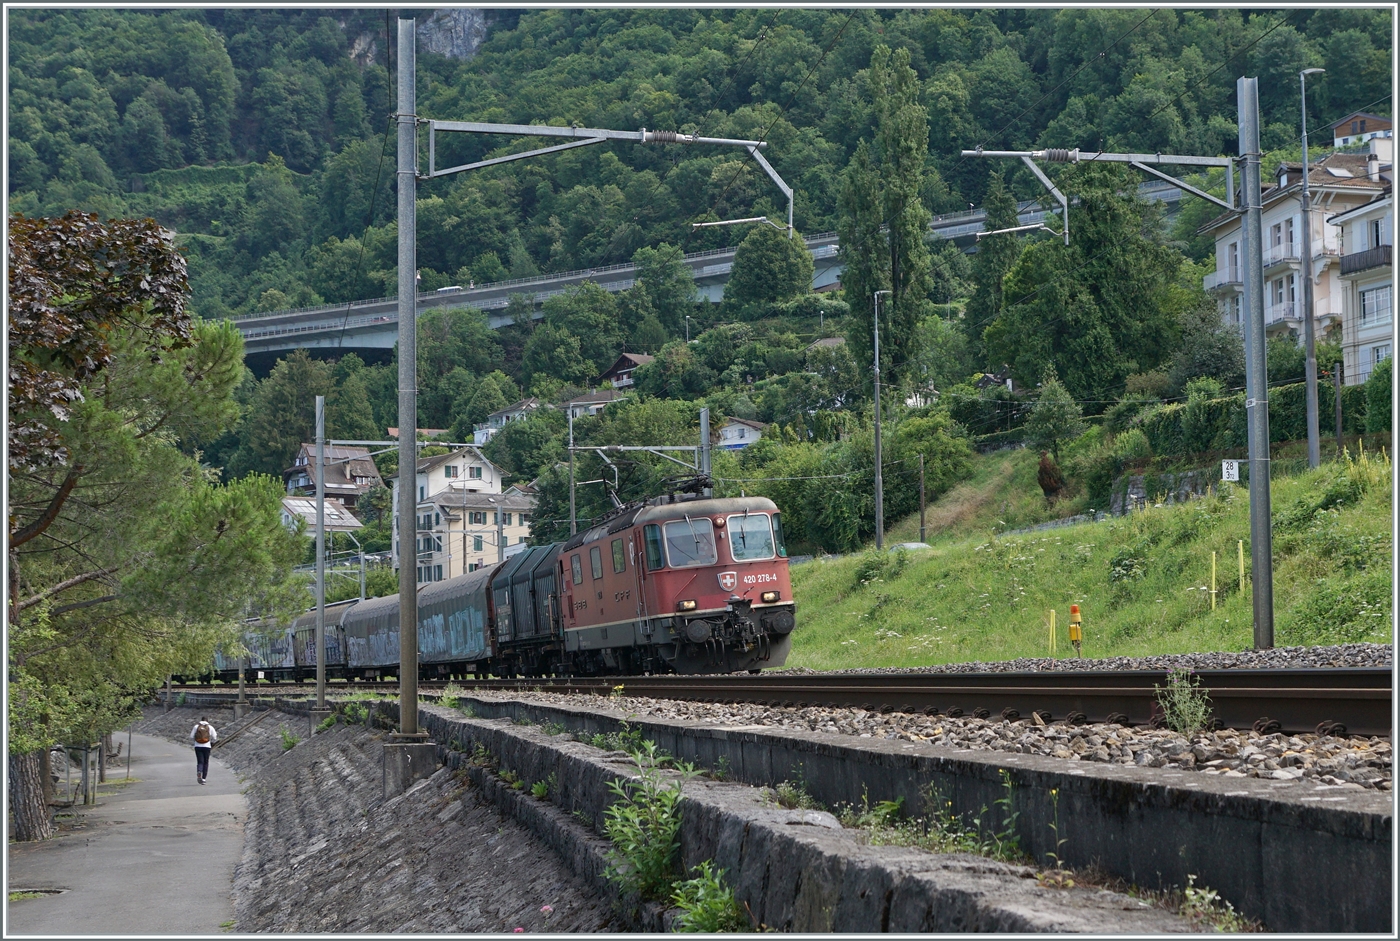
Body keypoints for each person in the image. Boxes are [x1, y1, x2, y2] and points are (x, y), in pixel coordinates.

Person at [190, 717, 217, 784]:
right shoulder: (210, 727)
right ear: (207, 721)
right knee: (206, 762)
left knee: (200, 762)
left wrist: (196, 741)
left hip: (198, 746)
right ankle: (204, 779)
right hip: (207, 746)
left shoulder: (196, 726)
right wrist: (211, 742)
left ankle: (199, 770)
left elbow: (191, 736)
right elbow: (215, 736)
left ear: (201, 720)